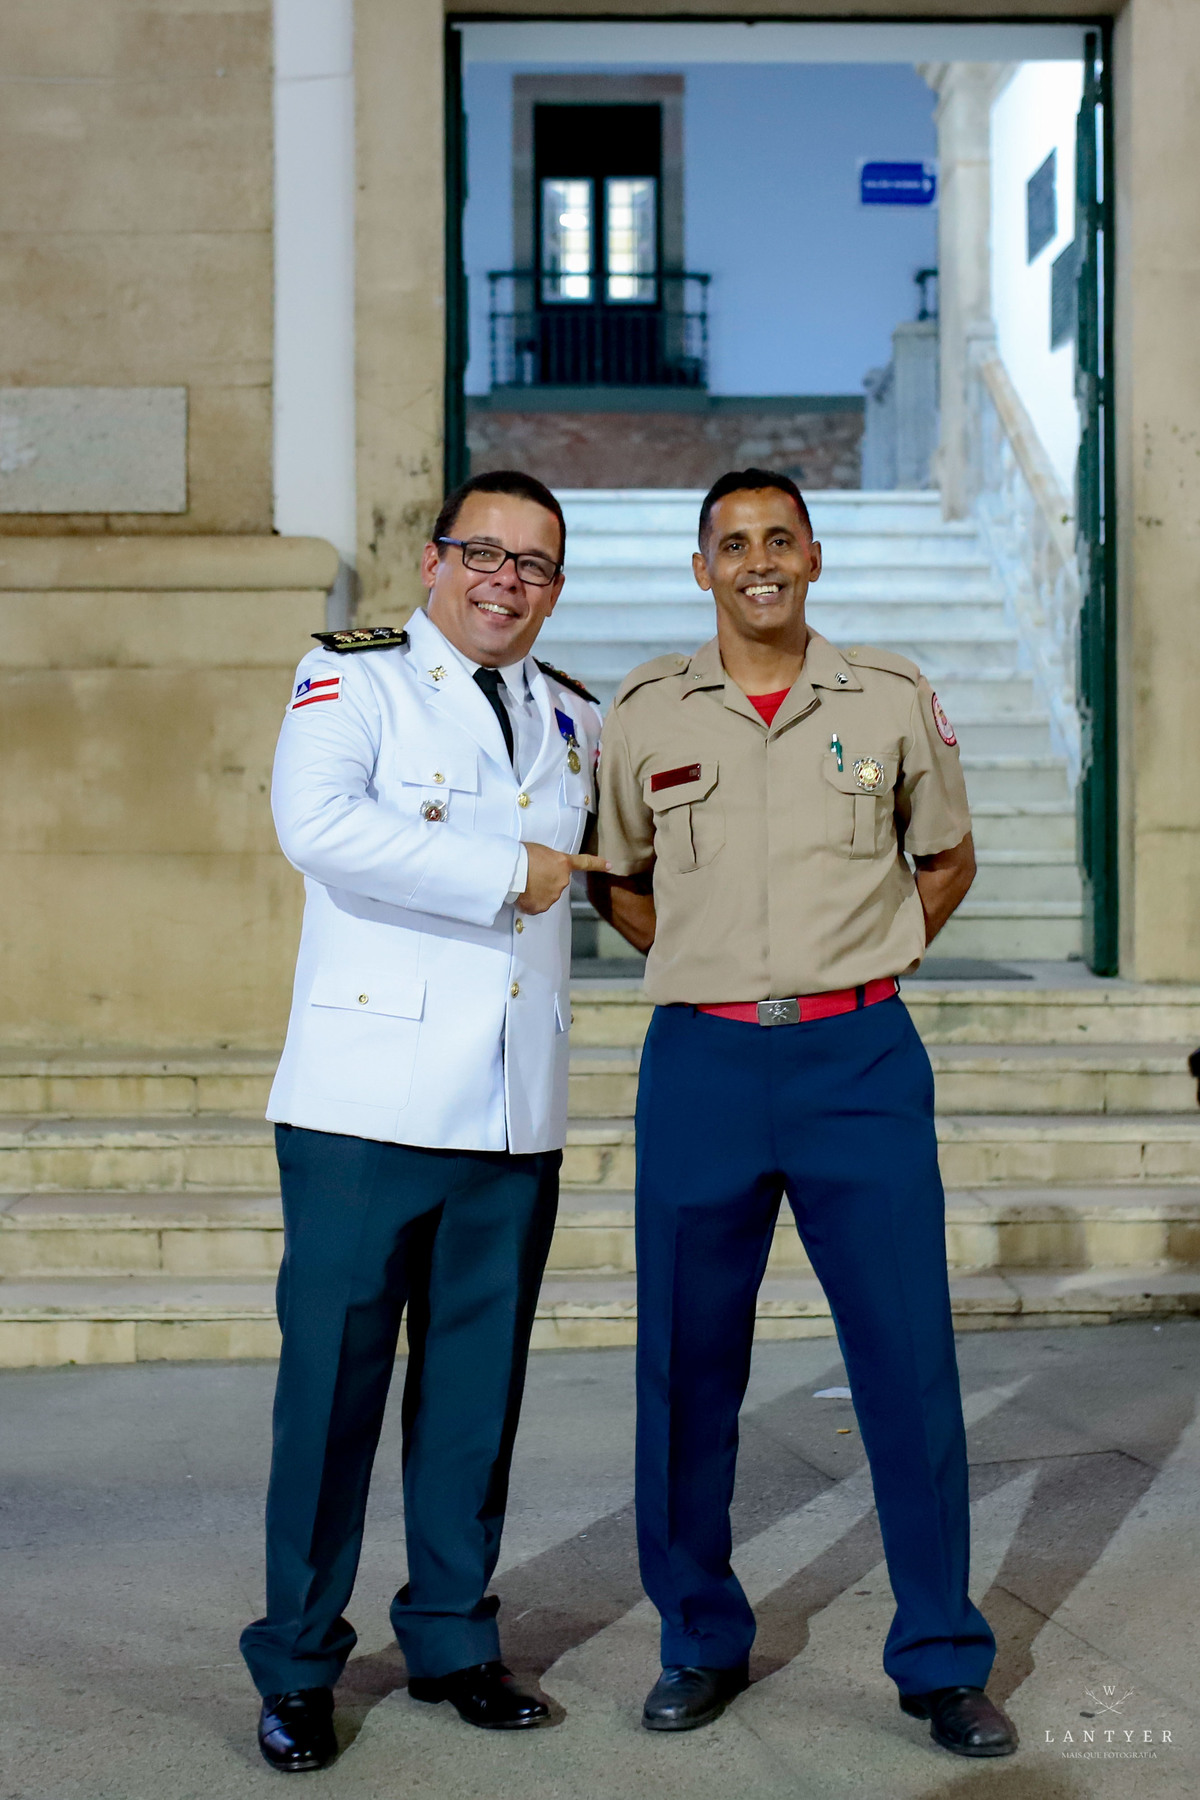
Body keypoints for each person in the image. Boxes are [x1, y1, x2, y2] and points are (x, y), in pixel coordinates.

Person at [588, 468, 1017, 1759]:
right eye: (734, 544)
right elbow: (617, 877)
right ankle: (699, 1642)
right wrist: (712, 966)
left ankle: (940, 1657)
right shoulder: (646, 714)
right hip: (705, 1069)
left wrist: (871, 952)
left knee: (907, 1363)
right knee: (686, 1368)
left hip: (859, 1067)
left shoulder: (886, 699)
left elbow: (946, 854)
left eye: (780, 539)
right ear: (702, 567)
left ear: (815, 558)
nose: (758, 561)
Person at [241, 469, 606, 1772]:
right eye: (485, 554)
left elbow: (622, 873)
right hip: (363, 1110)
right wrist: (514, 873)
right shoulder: (355, 674)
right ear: (436, 560)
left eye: (536, 566)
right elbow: (320, 825)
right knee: (330, 1401)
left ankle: (454, 1638)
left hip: (510, 1116)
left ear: (556, 589)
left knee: (473, 1402)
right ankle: (295, 1664)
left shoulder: (576, 713)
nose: (507, 581)